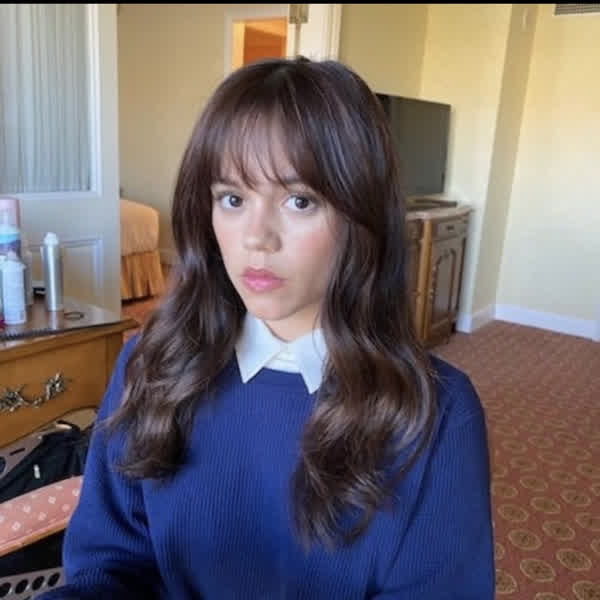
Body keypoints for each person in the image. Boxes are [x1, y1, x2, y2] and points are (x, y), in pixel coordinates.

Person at [39, 57, 494, 599]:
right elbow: (110, 566)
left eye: (300, 201)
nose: (256, 237)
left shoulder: (438, 414)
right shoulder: (150, 364)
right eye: (232, 199)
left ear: (362, 217)